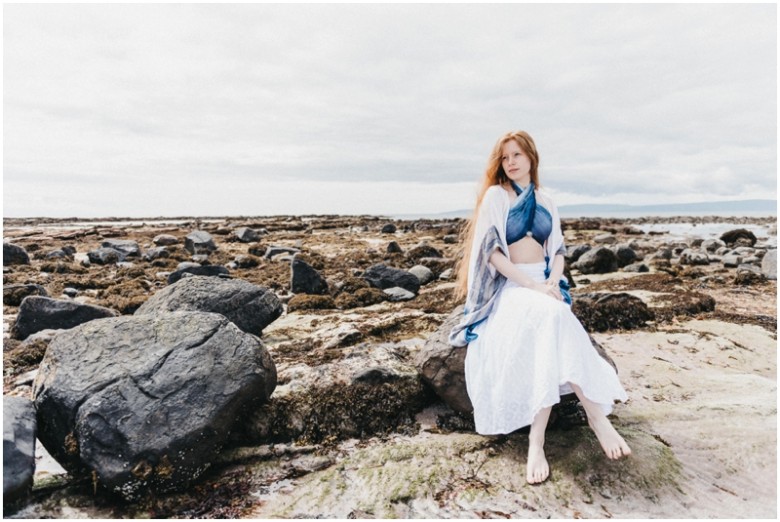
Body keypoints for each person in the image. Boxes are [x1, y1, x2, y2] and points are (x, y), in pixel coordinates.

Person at [450, 130, 631, 485]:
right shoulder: (495, 196)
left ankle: (551, 435)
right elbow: (491, 253)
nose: (511, 162)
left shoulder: (547, 199)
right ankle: (585, 422)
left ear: (532, 157)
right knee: (553, 315)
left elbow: (558, 252)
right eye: (505, 157)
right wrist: (532, 285)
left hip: (544, 283)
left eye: (517, 154)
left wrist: (552, 283)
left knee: (555, 315)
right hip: (513, 286)